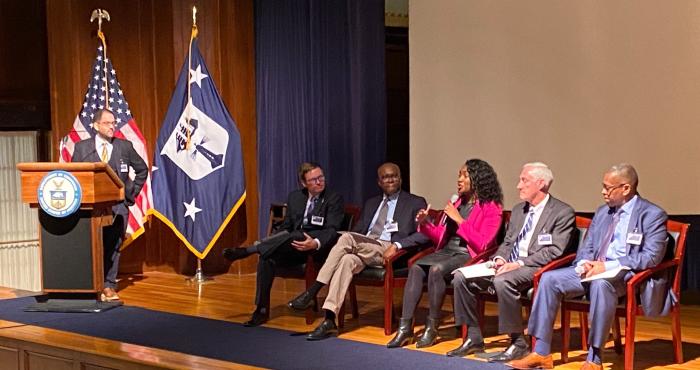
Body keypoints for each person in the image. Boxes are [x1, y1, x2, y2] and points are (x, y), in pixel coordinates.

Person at [507, 164, 668, 370]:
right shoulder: (603, 212)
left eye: (608, 188)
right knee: (548, 279)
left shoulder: (652, 214)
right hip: (592, 271)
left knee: (601, 284)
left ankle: (594, 358)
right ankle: (541, 352)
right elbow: (588, 247)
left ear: (626, 189)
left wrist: (608, 266)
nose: (603, 192)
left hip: (624, 276)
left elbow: (651, 257)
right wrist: (584, 264)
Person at [448, 162, 575, 360]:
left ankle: (517, 342)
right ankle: (473, 337)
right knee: (460, 277)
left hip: (535, 267)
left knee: (503, 280)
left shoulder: (562, 212)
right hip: (508, 264)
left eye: (524, 180)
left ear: (541, 183)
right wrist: (499, 258)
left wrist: (519, 263)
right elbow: (508, 242)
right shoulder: (518, 211)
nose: (518, 185)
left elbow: (555, 251)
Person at [290, 162, 430, 340]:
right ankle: (329, 319)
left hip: (389, 250)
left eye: (394, 176)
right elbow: (358, 231)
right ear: (379, 182)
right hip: (366, 248)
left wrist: (398, 246)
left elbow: (424, 235)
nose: (391, 180)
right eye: (385, 177)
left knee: (346, 239)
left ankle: (313, 291)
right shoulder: (372, 203)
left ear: (400, 179)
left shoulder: (415, 202)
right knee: (347, 259)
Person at [387, 158, 503, 349]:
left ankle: (432, 327)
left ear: (478, 179)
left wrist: (459, 220)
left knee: (435, 270)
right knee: (416, 267)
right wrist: (425, 223)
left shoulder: (492, 208)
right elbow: (441, 236)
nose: (459, 179)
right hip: (447, 251)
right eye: (459, 175)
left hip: (468, 254)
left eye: (465, 175)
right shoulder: (457, 203)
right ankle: (405, 328)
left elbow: (483, 244)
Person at [222, 162, 344, 327]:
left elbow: (332, 229)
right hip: (293, 246)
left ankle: (249, 250)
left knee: (296, 235)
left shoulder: (333, 197)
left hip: (318, 248)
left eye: (321, 177)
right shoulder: (295, 197)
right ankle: (261, 310)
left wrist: (315, 243)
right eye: (313, 179)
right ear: (304, 183)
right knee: (267, 258)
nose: (319, 182)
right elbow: (286, 227)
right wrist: (275, 240)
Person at [72, 109, 148, 302]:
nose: (112, 126)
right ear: (96, 125)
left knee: (113, 246)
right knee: (92, 247)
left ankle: (108, 285)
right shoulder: (82, 148)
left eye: (113, 122)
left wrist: (130, 195)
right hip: (91, 209)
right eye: (107, 123)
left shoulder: (124, 146)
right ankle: (90, 285)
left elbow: (142, 170)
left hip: (118, 207)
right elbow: (74, 175)